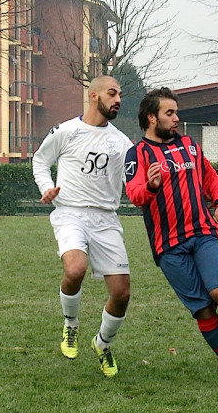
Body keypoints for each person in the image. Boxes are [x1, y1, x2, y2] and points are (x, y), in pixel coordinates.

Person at [124, 87, 218, 393]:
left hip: (203, 234)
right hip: (169, 247)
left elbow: (210, 178)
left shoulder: (189, 145)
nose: (177, 118)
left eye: (177, 112)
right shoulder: (137, 154)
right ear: (152, 117)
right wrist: (149, 186)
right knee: (203, 309)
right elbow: (134, 195)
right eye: (170, 113)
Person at [32, 75, 132, 378]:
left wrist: (149, 187)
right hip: (70, 213)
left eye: (120, 95)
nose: (117, 100)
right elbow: (40, 160)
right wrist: (46, 187)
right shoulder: (67, 131)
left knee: (122, 293)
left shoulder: (121, 142)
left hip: (106, 219)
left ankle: (102, 344)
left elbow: (134, 180)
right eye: (112, 94)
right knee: (75, 269)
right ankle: (70, 326)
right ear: (93, 96)